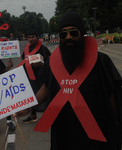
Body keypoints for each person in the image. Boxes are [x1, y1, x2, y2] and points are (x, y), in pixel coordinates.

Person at [15, 12, 122, 150]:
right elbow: (46, 88)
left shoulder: (101, 61)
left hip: (95, 131)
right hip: (63, 131)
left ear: (82, 34)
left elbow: (112, 95)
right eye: (63, 34)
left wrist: (112, 126)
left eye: (73, 33)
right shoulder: (53, 62)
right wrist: (29, 106)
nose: (68, 37)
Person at [17, 29, 51, 123]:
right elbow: (24, 60)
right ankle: (33, 115)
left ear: (37, 37)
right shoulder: (26, 49)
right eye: (29, 37)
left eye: (33, 37)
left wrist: (41, 65)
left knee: (43, 96)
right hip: (29, 76)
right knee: (31, 96)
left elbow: (50, 62)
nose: (31, 39)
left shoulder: (43, 49)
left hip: (41, 77)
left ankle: (48, 115)